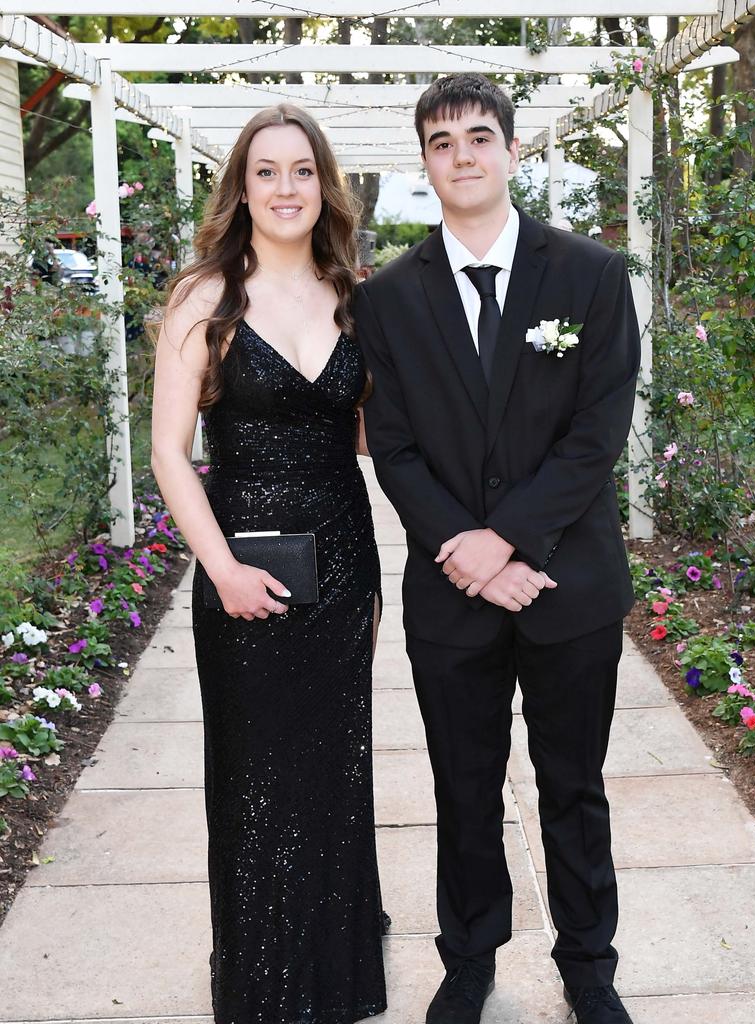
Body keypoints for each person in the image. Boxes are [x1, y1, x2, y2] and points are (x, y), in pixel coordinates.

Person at [354, 73, 641, 1024]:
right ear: (425, 162)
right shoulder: (389, 296)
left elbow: (597, 435)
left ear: (514, 152)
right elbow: (390, 445)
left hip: (571, 581)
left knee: (574, 784)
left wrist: (504, 542)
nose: (463, 156)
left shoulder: (591, 275)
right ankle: (469, 959)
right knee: (463, 787)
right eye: (443, 143)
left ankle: (589, 967)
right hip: (450, 594)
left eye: (480, 137)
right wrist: (464, 551)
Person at [151, 104, 387, 1024]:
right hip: (241, 563)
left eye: (300, 171)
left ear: (323, 185)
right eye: (265, 172)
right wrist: (220, 570)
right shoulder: (203, 296)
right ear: (241, 188)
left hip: (345, 565)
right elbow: (172, 452)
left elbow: (372, 436)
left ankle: (335, 975)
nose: (284, 189)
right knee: (255, 771)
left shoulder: (354, 296)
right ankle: (264, 985)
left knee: (335, 763)